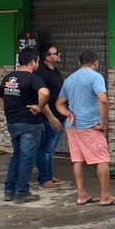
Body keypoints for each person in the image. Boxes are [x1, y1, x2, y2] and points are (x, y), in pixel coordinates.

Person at [56, 51, 115, 206]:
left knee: (78, 160)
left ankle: (81, 195)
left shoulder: (69, 79)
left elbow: (59, 103)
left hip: (73, 127)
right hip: (91, 126)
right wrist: (104, 123)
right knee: (102, 159)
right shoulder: (96, 77)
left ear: (79, 63)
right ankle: (105, 196)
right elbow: (103, 101)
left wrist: (68, 113)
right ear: (96, 63)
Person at [0, 49, 49, 203]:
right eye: (37, 61)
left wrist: (9, 111)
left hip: (13, 122)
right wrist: (39, 107)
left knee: (17, 155)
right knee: (26, 158)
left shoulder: (8, 77)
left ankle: (9, 190)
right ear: (33, 62)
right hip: (29, 123)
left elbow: (0, 97)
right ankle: (22, 192)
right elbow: (45, 93)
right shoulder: (33, 78)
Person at [35, 43, 66, 190]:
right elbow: (41, 97)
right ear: (48, 57)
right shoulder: (41, 72)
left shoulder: (55, 71)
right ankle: (44, 178)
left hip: (59, 115)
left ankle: (49, 175)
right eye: (56, 53)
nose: (59, 55)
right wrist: (50, 116)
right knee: (45, 148)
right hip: (49, 116)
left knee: (51, 148)